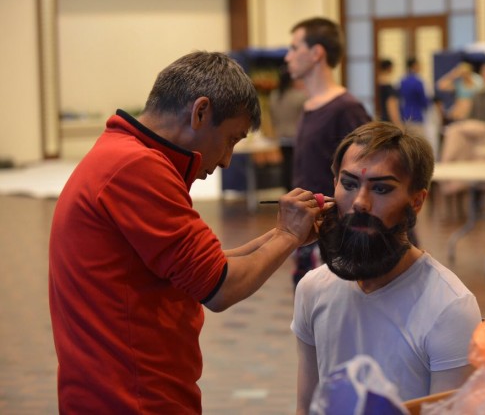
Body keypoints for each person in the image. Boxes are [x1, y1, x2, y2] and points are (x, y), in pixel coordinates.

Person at [48, 51, 329, 414]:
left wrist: (284, 234)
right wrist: (288, 236)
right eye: (231, 139)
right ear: (200, 112)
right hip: (131, 398)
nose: (226, 160)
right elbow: (220, 287)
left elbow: (202, 265)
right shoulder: (137, 167)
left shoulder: (122, 153)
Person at [291, 121, 482, 411]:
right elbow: (307, 407)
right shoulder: (313, 289)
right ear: (334, 186)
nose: (360, 203)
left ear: (416, 201)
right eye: (349, 184)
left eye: (381, 188)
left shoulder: (449, 308)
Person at [285, 16, 371, 287]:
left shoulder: (346, 109)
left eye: (294, 48)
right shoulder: (309, 106)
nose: (288, 57)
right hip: (310, 230)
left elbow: (370, 171)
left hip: (336, 235)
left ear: (316, 53)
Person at [269, 66, 307, 190]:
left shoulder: (274, 96)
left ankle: (287, 189)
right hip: (296, 136)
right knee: (297, 166)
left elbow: (273, 117)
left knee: (286, 165)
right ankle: (297, 189)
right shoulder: (299, 96)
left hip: (281, 136)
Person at [398, 56, 431, 137]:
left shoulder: (402, 81)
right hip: (416, 115)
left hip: (404, 115)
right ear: (414, 65)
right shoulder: (418, 82)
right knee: (418, 140)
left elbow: (399, 99)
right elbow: (423, 100)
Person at [377, 58, 403, 127]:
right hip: (388, 121)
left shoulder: (376, 83)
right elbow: (391, 105)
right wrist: (398, 124)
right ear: (389, 68)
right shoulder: (387, 85)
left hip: (379, 119)